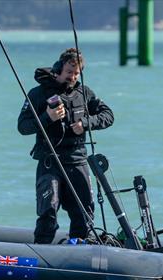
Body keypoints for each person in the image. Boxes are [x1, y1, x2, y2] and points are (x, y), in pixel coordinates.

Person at [17, 47, 114, 244]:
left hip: (77, 161)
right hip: (50, 163)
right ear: (58, 69)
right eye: (69, 72)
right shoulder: (38, 94)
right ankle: (42, 252)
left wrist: (85, 124)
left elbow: (108, 116)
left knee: (84, 213)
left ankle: (79, 250)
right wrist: (48, 117)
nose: (73, 77)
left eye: (77, 73)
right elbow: (23, 127)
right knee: (48, 213)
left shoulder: (85, 93)